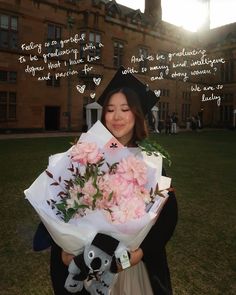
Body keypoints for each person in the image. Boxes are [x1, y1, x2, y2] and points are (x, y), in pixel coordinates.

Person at [33, 67, 178, 295]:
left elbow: (166, 219)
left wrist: (138, 255)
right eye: (110, 110)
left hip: (130, 267)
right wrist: (64, 249)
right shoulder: (86, 155)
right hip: (87, 261)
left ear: (137, 114)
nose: (116, 116)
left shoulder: (149, 163)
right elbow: (61, 209)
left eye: (125, 109)